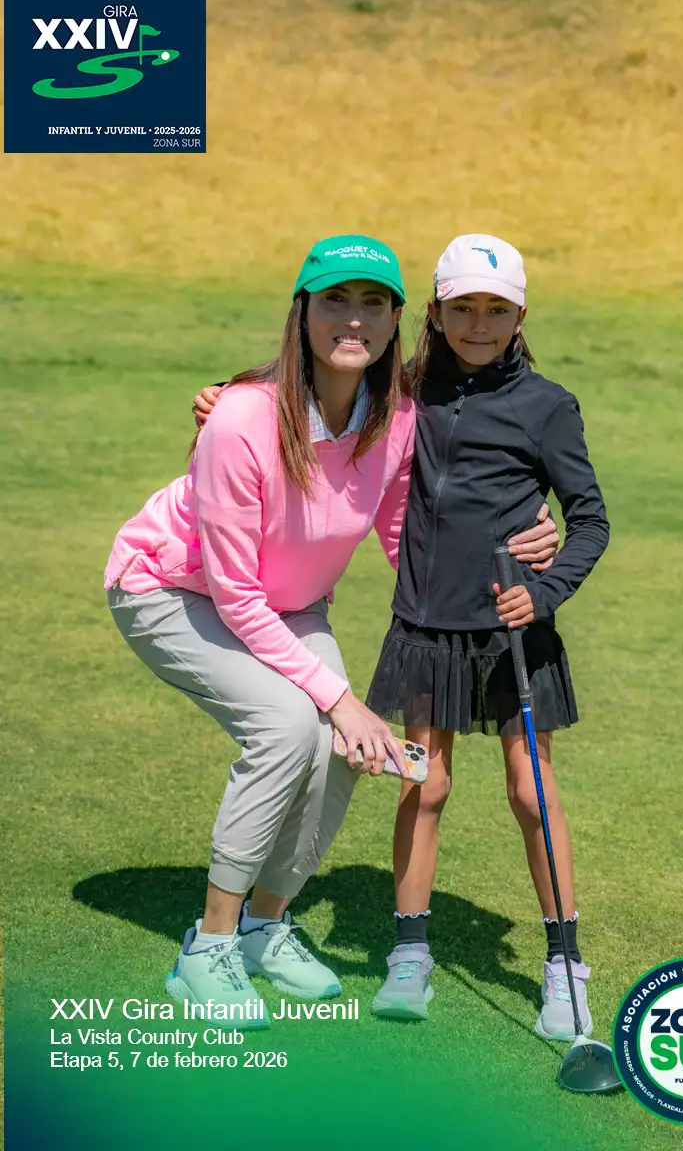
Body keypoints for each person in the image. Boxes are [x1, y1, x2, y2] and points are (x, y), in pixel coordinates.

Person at [105, 235, 423, 1027]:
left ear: (395, 320)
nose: (354, 319)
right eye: (335, 299)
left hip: (289, 605)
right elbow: (234, 592)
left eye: (374, 302)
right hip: (170, 588)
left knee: (346, 746)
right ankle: (207, 949)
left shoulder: (398, 419)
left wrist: (498, 571)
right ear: (302, 312)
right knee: (288, 726)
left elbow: (404, 539)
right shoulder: (242, 417)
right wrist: (339, 698)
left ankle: (262, 927)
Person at [363, 235, 610, 1038]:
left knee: (530, 792)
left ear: (520, 315)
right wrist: (224, 397)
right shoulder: (404, 391)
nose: (478, 324)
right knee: (423, 784)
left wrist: (544, 592)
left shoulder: (548, 405)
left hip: (512, 633)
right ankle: (409, 953)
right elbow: (314, 393)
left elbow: (590, 520)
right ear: (435, 313)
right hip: (425, 628)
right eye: (463, 308)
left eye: (495, 310)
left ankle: (565, 968)